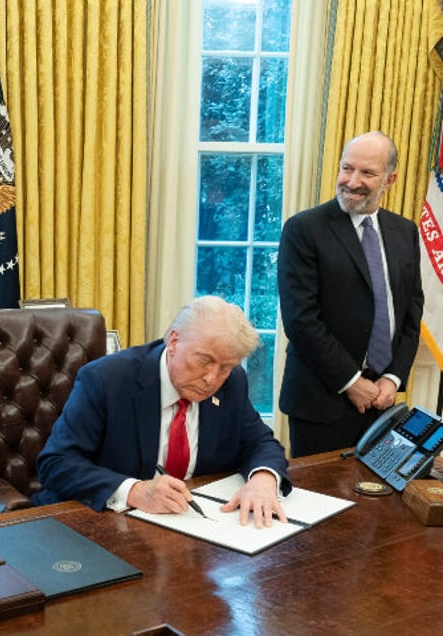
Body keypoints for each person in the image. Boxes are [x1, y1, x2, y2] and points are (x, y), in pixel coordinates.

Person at [33, 296, 292, 528]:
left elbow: (260, 442)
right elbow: (56, 463)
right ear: (174, 341)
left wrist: (263, 478)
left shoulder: (233, 382)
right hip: (105, 523)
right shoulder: (107, 380)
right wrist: (134, 490)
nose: (211, 379)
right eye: (204, 361)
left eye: (225, 367)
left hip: (197, 527)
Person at [277, 131, 424, 457]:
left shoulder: (405, 232)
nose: (352, 181)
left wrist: (393, 378)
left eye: (367, 173)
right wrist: (351, 382)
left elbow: (411, 314)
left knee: (377, 503)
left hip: (382, 401)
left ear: (390, 179)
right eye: (347, 168)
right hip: (322, 403)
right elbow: (301, 320)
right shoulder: (303, 229)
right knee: (323, 504)